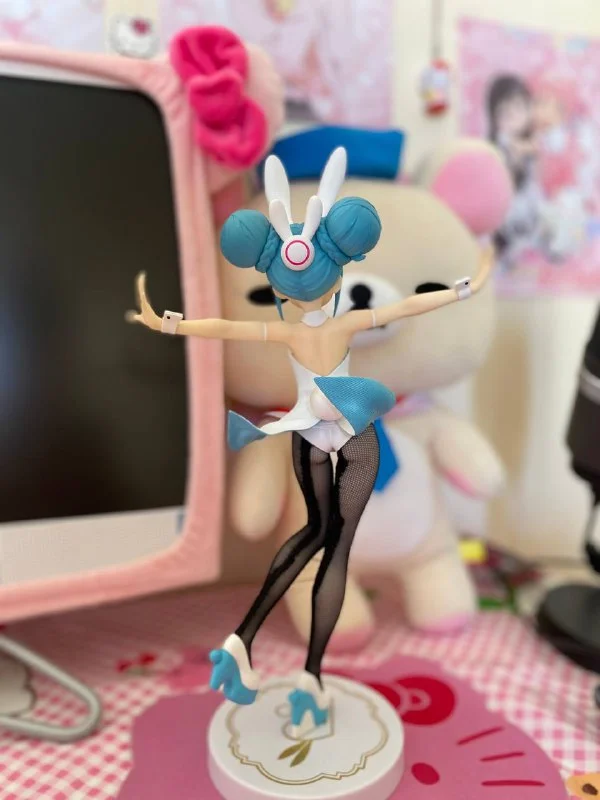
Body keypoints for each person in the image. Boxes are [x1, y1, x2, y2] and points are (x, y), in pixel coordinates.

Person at [127, 147, 493, 733]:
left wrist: (460, 290)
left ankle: (275, 655)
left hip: (334, 440)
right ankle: (283, 659)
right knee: (324, 544)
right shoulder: (316, 329)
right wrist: (172, 323)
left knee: (321, 543)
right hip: (325, 441)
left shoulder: (303, 332)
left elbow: (400, 306)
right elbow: (229, 326)